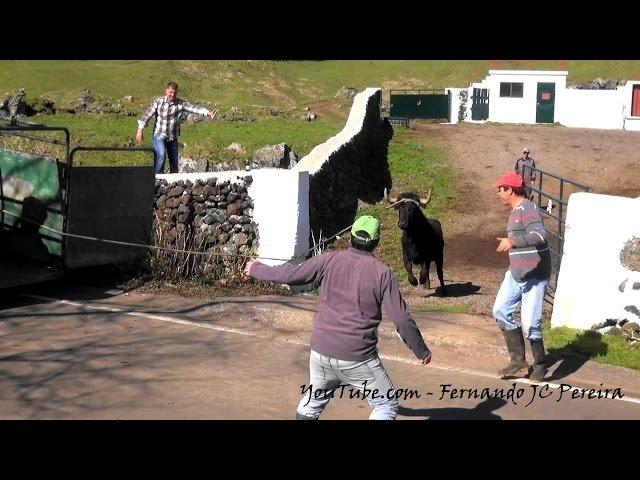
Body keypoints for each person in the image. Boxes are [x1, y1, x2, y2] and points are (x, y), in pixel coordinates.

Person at [243, 215, 432, 420]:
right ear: (376, 242)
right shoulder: (383, 273)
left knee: (313, 402)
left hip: (320, 353)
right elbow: (401, 319)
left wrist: (255, 268)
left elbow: (289, 275)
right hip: (357, 357)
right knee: (385, 404)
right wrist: (421, 350)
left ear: (351, 237)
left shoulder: (327, 259)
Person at [492, 171, 551, 382]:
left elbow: (539, 235)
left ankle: (540, 365)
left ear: (510, 189)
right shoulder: (515, 210)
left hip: (535, 275)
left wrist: (512, 242)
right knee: (500, 310)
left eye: (501, 189)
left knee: (530, 323)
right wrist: (510, 241)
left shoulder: (528, 208)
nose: (498, 192)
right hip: (516, 273)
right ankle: (518, 359)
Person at [135, 81, 218, 174]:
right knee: (161, 155)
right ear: (166, 91)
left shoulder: (180, 104)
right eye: (170, 92)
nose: (172, 95)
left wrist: (208, 113)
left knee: (174, 162)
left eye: (174, 92)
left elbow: (194, 108)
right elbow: (147, 114)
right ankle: (157, 178)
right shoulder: (158, 102)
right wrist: (140, 129)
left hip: (172, 137)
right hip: (159, 135)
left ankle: (173, 183)